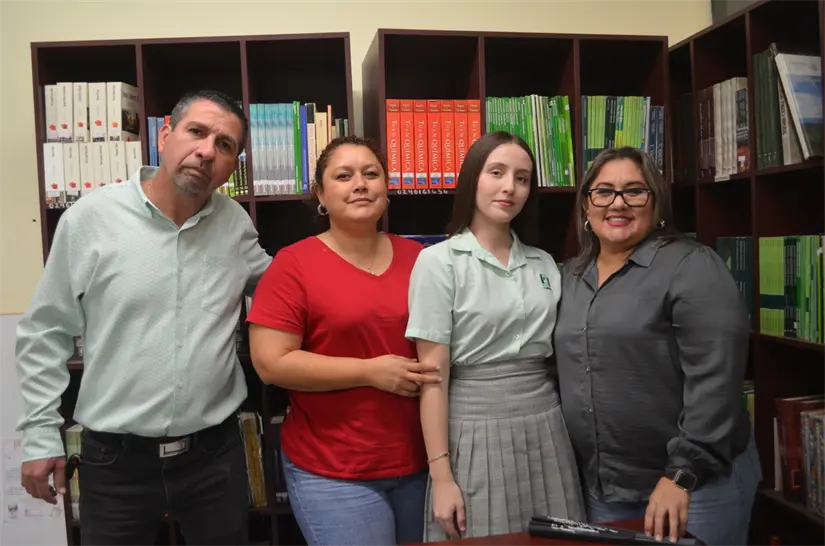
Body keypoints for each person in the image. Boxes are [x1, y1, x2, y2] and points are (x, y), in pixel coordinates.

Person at [15, 89, 272, 546]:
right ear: (166, 134)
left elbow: (279, 286)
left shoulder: (234, 224)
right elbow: (45, 331)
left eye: (226, 145)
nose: (207, 150)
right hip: (116, 462)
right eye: (197, 132)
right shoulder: (90, 219)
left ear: (234, 164)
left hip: (214, 456)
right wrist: (40, 435)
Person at [554, 146, 761, 546]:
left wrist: (681, 475)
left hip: (694, 487)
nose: (618, 203)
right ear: (586, 206)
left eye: (635, 191)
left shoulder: (691, 266)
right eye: (604, 192)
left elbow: (716, 382)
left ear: (656, 204)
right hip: (608, 489)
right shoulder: (570, 276)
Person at [245, 135, 438, 546]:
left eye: (371, 174)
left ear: (387, 188)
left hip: (422, 465)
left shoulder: (421, 259)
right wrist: (370, 372)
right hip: (333, 472)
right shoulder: (293, 264)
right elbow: (271, 363)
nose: (361, 184)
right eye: (344, 176)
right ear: (320, 193)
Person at [406, 131, 586, 541]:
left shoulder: (544, 263)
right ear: (473, 180)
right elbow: (431, 379)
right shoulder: (438, 262)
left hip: (545, 422)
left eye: (522, 178)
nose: (510, 187)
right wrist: (442, 475)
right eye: (497, 172)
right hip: (473, 424)